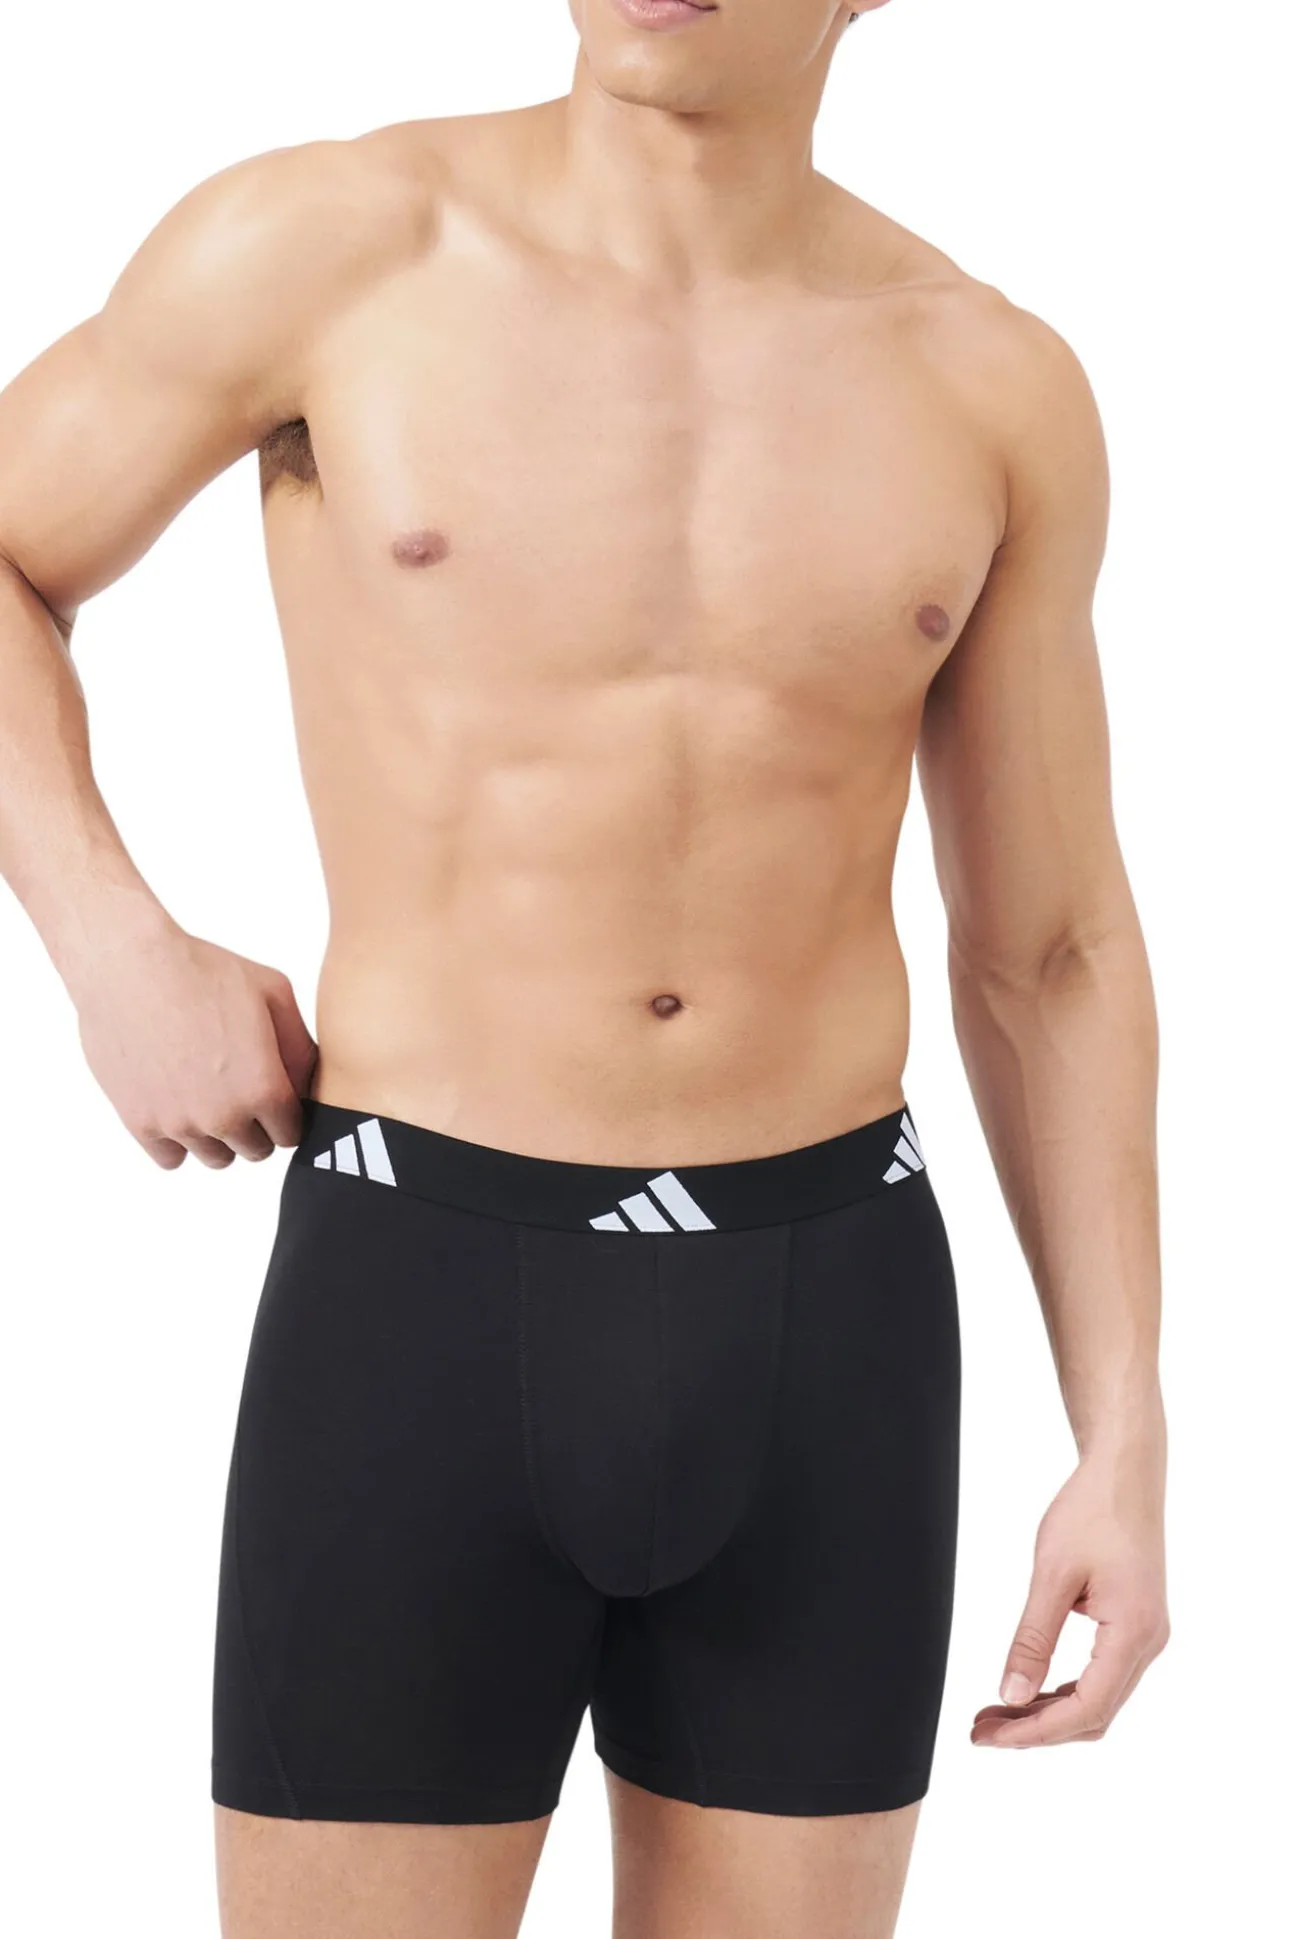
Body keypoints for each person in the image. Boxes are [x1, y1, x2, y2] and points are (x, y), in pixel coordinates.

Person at [0, 3, 1170, 1935]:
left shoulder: (988, 382)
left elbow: (1050, 948)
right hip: (419, 1288)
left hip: (829, 1320)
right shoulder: (330, 247)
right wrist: (111, 940)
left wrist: (1122, 1433)